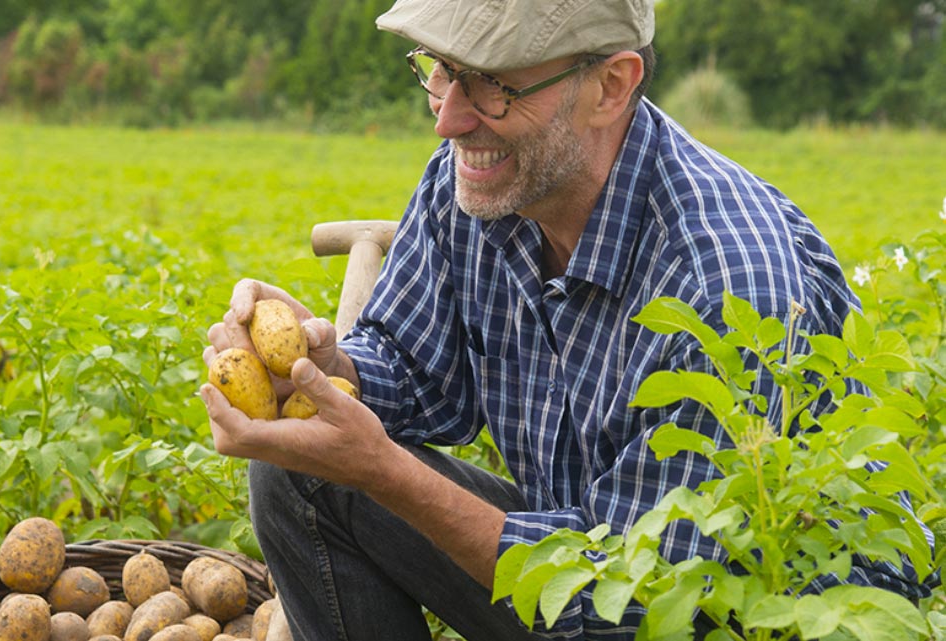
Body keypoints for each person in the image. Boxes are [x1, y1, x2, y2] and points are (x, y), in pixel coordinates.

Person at [200, 0, 932, 639]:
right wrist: (327, 369)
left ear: (610, 86)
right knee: (300, 472)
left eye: (490, 83)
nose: (449, 117)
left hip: (738, 607)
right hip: (588, 552)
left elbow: (641, 604)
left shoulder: (723, 286)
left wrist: (388, 473)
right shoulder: (484, 182)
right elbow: (415, 371)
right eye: (439, 70)